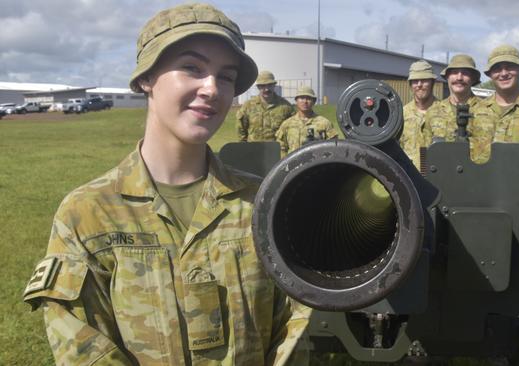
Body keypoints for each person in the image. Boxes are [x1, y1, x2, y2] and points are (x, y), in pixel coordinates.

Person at [22, 3, 310, 365]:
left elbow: (295, 323)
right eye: (192, 68)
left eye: (226, 76)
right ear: (145, 77)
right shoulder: (88, 215)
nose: (212, 89)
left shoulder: (263, 204)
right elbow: (83, 345)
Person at [424, 54, 481, 142]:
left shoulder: (487, 110)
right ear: (447, 77)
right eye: (454, 72)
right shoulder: (433, 111)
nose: (459, 78)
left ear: (473, 79)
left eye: (465, 73)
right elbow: (425, 150)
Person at [275, 86, 337, 157]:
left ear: (314, 102)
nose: (305, 101)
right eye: (301, 98)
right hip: (294, 165)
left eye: (308, 98)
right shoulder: (287, 124)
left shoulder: (324, 123)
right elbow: (281, 148)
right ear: (296, 101)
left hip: (316, 164)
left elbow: (333, 148)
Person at [399, 60, 438, 170]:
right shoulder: (401, 115)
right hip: (409, 180)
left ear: (432, 83)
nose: (419, 85)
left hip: (438, 178)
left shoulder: (446, 113)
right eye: (415, 81)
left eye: (424, 80)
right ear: (410, 85)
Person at [237, 70, 295, 142]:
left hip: (276, 150)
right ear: (258, 87)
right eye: (263, 86)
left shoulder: (286, 107)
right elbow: (241, 129)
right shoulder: (248, 106)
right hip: (253, 149)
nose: (266, 89)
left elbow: (292, 129)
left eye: (269, 85)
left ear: (274, 85)